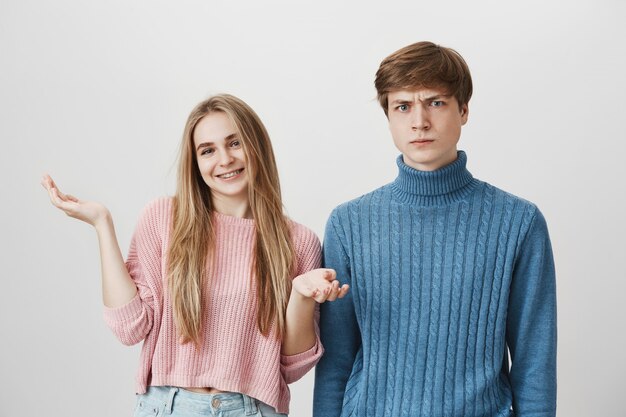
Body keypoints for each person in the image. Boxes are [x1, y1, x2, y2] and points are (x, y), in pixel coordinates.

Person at [42, 93, 348, 417]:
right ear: (196, 162)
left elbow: (292, 366)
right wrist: (102, 224)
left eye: (235, 143)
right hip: (168, 405)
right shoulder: (164, 218)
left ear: (256, 145)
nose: (225, 160)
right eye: (208, 150)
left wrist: (301, 295)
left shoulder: (298, 242)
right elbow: (129, 328)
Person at [313, 41, 557, 417]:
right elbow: (336, 362)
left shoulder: (519, 222)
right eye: (403, 106)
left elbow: (533, 361)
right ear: (389, 116)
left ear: (463, 110)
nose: (419, 121)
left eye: (436, 102)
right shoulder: (348, 223)